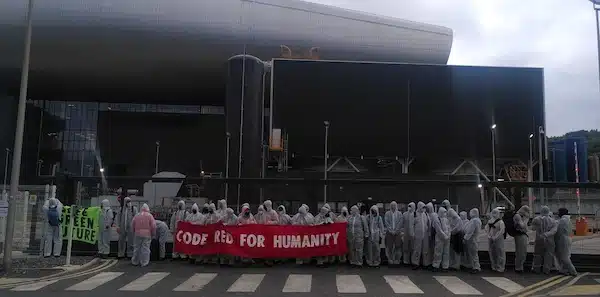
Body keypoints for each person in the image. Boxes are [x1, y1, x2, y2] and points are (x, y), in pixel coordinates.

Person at [531, 206, 557, 274]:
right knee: (549, 255)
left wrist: (541, 234)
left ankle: (536, 269)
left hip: (539, 239)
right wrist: (546, 234)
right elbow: (554, 231)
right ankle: (546, 269)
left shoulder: (536, 219)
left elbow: (533, 228)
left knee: (537, 255)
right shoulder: (553, 221)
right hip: (549, 240)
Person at [555, 208, 577, 276]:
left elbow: (559, 231)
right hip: (567, 238)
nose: (558, 214)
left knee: (564, 257)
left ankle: (573, 271)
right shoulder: (567, 219)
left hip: (563, 239)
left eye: (559, 212)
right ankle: (563, 270)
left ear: (562, 213)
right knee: (563, 256)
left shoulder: (563, 220)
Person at [485, 207, 506, 272]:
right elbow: (487, 228)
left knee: (500, 252)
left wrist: (496, 237)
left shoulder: (500, 222)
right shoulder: (490, 221)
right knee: (492, 252)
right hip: (490, 239)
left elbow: (502, 230)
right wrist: (489, 235)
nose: (494, 214)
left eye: (495, 213)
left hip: (499, 240)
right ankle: (493, 266)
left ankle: (500, 267)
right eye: (493, 213)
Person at [384, 201, 403, 265]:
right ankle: (390, 259)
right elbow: (386, 222)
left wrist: (396, 231)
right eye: (392, 205)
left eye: (394, 205)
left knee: (398, 247)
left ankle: (397, 260)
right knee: (389, 247)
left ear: (396, 206)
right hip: (389, 233)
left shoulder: (400, 214)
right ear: (390, 206)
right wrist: (391, 230)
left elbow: (400, 223)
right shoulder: (387, 213)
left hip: (397, 233)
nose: (393, 206)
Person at [432, 206, 450, 272]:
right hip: (439, 239)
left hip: (446, 239)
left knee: (446, 253)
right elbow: (438, 230)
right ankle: (436, 265)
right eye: (443, 212)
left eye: (445, 212)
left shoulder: (446, 220)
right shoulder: (437, 219)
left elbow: (449, 228)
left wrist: (448, 235)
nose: (445, 214)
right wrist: (445, 236)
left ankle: (445, 266)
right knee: (438, 252)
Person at [412, 202, 429, 269]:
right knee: (417, 249)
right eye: (422, 207)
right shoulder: (415, 214)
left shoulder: (424, 214)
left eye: (424, 208)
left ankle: (425, 263)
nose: (423, 209)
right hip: (417, 234)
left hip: (424, 234)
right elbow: (412, 225)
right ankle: (415, 263)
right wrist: (413, 233)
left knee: (425, 249)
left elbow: (426, 223)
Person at [463, 208, 482, 273]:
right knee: (473, 254)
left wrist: (465, 238)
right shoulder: (477, 220)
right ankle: (474, 266)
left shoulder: (474, 221)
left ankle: (476, 267)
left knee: (473, 254)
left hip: (472, 239)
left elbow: (470, 231)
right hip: (474, 239)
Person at [424, 202, 436, 269]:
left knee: (432, 249)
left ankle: (432, 263)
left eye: (428, 208)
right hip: (426, 234)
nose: (427, 209)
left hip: (432, 234)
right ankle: (427, 263)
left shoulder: (434, 215)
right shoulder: (425, 214)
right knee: (426, 249)